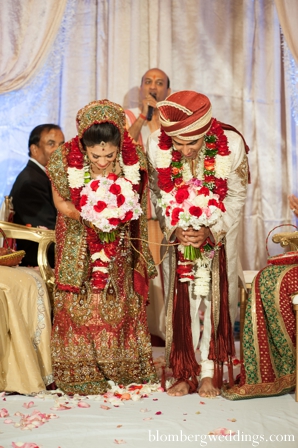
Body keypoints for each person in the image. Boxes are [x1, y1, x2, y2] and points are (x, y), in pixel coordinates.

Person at [47, 99, 157, 395]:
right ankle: (78, 367)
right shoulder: (62, 159)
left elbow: (136, 196)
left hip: (119, 241)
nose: (103, 161)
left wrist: (115, 215)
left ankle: (121, 365)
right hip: (77, 237)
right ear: (83, 146)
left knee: (114, 296)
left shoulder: (131, 158)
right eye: (96, 155)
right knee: (81, 301)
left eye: (110, 154)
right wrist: (91, 216)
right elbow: (60, 203)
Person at [147, 91, 249, 398]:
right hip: (178, 236)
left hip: (218, 234)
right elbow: (156, 192)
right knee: (182, 302)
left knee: (218, 300)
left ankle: (209, 371)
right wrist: (175, 227)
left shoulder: (230, 145)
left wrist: (211, 229)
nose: (185, 150)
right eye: (178, 144)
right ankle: (184, 371)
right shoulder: (156, 145)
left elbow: (236, 196)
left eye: (192, 143)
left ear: (206, 131)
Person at [125, 68, 171, 344]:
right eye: (148, 81)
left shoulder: (171, 119)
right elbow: (123, 146)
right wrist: (143, 116)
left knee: (164, 270)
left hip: (165, 205)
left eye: (159, 83)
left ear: (167, 91)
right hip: (136, 205)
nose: (153, 86)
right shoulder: (129, 116)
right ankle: (141, 330)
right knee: (140, 268)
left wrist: (157, 120)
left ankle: (166, 329)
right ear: (141, 87)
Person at [10, 124, 64, 267]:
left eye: (62, 144)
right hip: (41, 259)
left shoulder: (40, 176)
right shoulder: (31, 182)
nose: (59, 150)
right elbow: (46, 229)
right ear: (34, 149)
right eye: (51, 144)